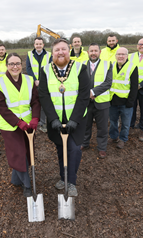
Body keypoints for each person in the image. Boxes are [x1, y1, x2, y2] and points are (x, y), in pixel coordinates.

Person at [39, 38, 90, 197]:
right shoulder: (45, 70)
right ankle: (63, 177)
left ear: (69, 50)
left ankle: (71, 182)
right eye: (56, 50)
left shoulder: (80, 68)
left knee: (74, 149)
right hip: (56, 121)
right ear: (52, 53)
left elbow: (83, 95)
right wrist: (52, 118)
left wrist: (74, 119)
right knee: (61, 149)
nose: (60, 52)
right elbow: (44, 95)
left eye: (63, 49)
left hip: (77, 120)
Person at [0, 53, 41, 197]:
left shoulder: (29, 80)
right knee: (18, 153)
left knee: (26, 151)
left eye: (18, 63)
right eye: (11, 64)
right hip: (10, 126)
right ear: (7, 66)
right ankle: (27, 185)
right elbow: (1, 107)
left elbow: (35, 101)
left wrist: (35, 118)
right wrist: (17, 122)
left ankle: (16, 179)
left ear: (22, 65)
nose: (15, 67)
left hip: (28, 124)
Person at [81, 43, 112, 158]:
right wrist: (87, 94)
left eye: (96, 51)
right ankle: (85, 143)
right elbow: (79, 82)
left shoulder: (108, 64)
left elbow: (108, 82)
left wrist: (93, 92)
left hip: (102, 102)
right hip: (86, 102)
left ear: (100, 52)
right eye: (91, 51)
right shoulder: (82, 65)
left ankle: (102, 148)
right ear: (88, 52)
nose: (93, 53)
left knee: (102, 127)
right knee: (85, 125)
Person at [109, 47, 139, 149]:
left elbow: (134, 87)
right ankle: (114, 137)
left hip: (126, 102)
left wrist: (131, 101)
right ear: (116, 56)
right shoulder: (111, 66)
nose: (121, 56)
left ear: (127, 56)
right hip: (112, 100)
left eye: (123, 54)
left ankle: (122, 139)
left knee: (125, 124)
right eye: (119, 54)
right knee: (113, 122)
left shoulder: (132, 67)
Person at [25, 37, 52, 133]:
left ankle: (44, 123)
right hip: (33, 84)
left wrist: (42, 80)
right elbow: (28, 68)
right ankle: (35, 122)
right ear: (34, 45)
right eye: (37, 44)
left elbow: (50, 68)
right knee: (34, 102)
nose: (38, 45)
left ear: (43, 45)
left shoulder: (49, 55)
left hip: (45, 83)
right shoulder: (29, 54)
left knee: (44, 102)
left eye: (40, 44)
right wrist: (35, 80)